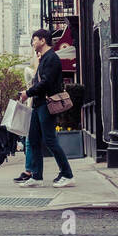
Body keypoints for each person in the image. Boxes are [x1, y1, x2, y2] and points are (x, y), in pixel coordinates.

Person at [18, 28, 74, 187]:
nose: (33, 43)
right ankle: (36, 177)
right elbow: (38, 82)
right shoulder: (44, 58)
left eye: (34, 39)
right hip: (38, 104)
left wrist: (27, 93)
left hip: (46, 104)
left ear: (43, 40)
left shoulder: (52, 58)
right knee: (34, 139)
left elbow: (46, 83)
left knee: (50, 140)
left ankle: (68, 174)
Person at [13, 40, 42, 182]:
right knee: (31, 140)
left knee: (37, 140)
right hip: (34, 106)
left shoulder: (42, 62)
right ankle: (32, 172)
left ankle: (31, 172)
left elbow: (38, 82)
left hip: (40, 106)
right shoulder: (38, 63)